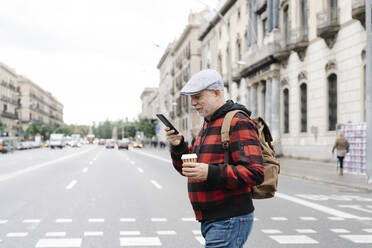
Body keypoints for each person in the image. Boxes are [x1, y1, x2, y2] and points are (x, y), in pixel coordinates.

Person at [165, 69, 265, 248]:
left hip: (229, 219)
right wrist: (179, 145)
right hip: (214, 218)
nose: (193, 103)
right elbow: (188, 169)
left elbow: (255, 172)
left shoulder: (237, 122)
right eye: (191, 98)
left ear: (217, 92)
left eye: (198, 97)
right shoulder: (208, 123)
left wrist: (209, 171)